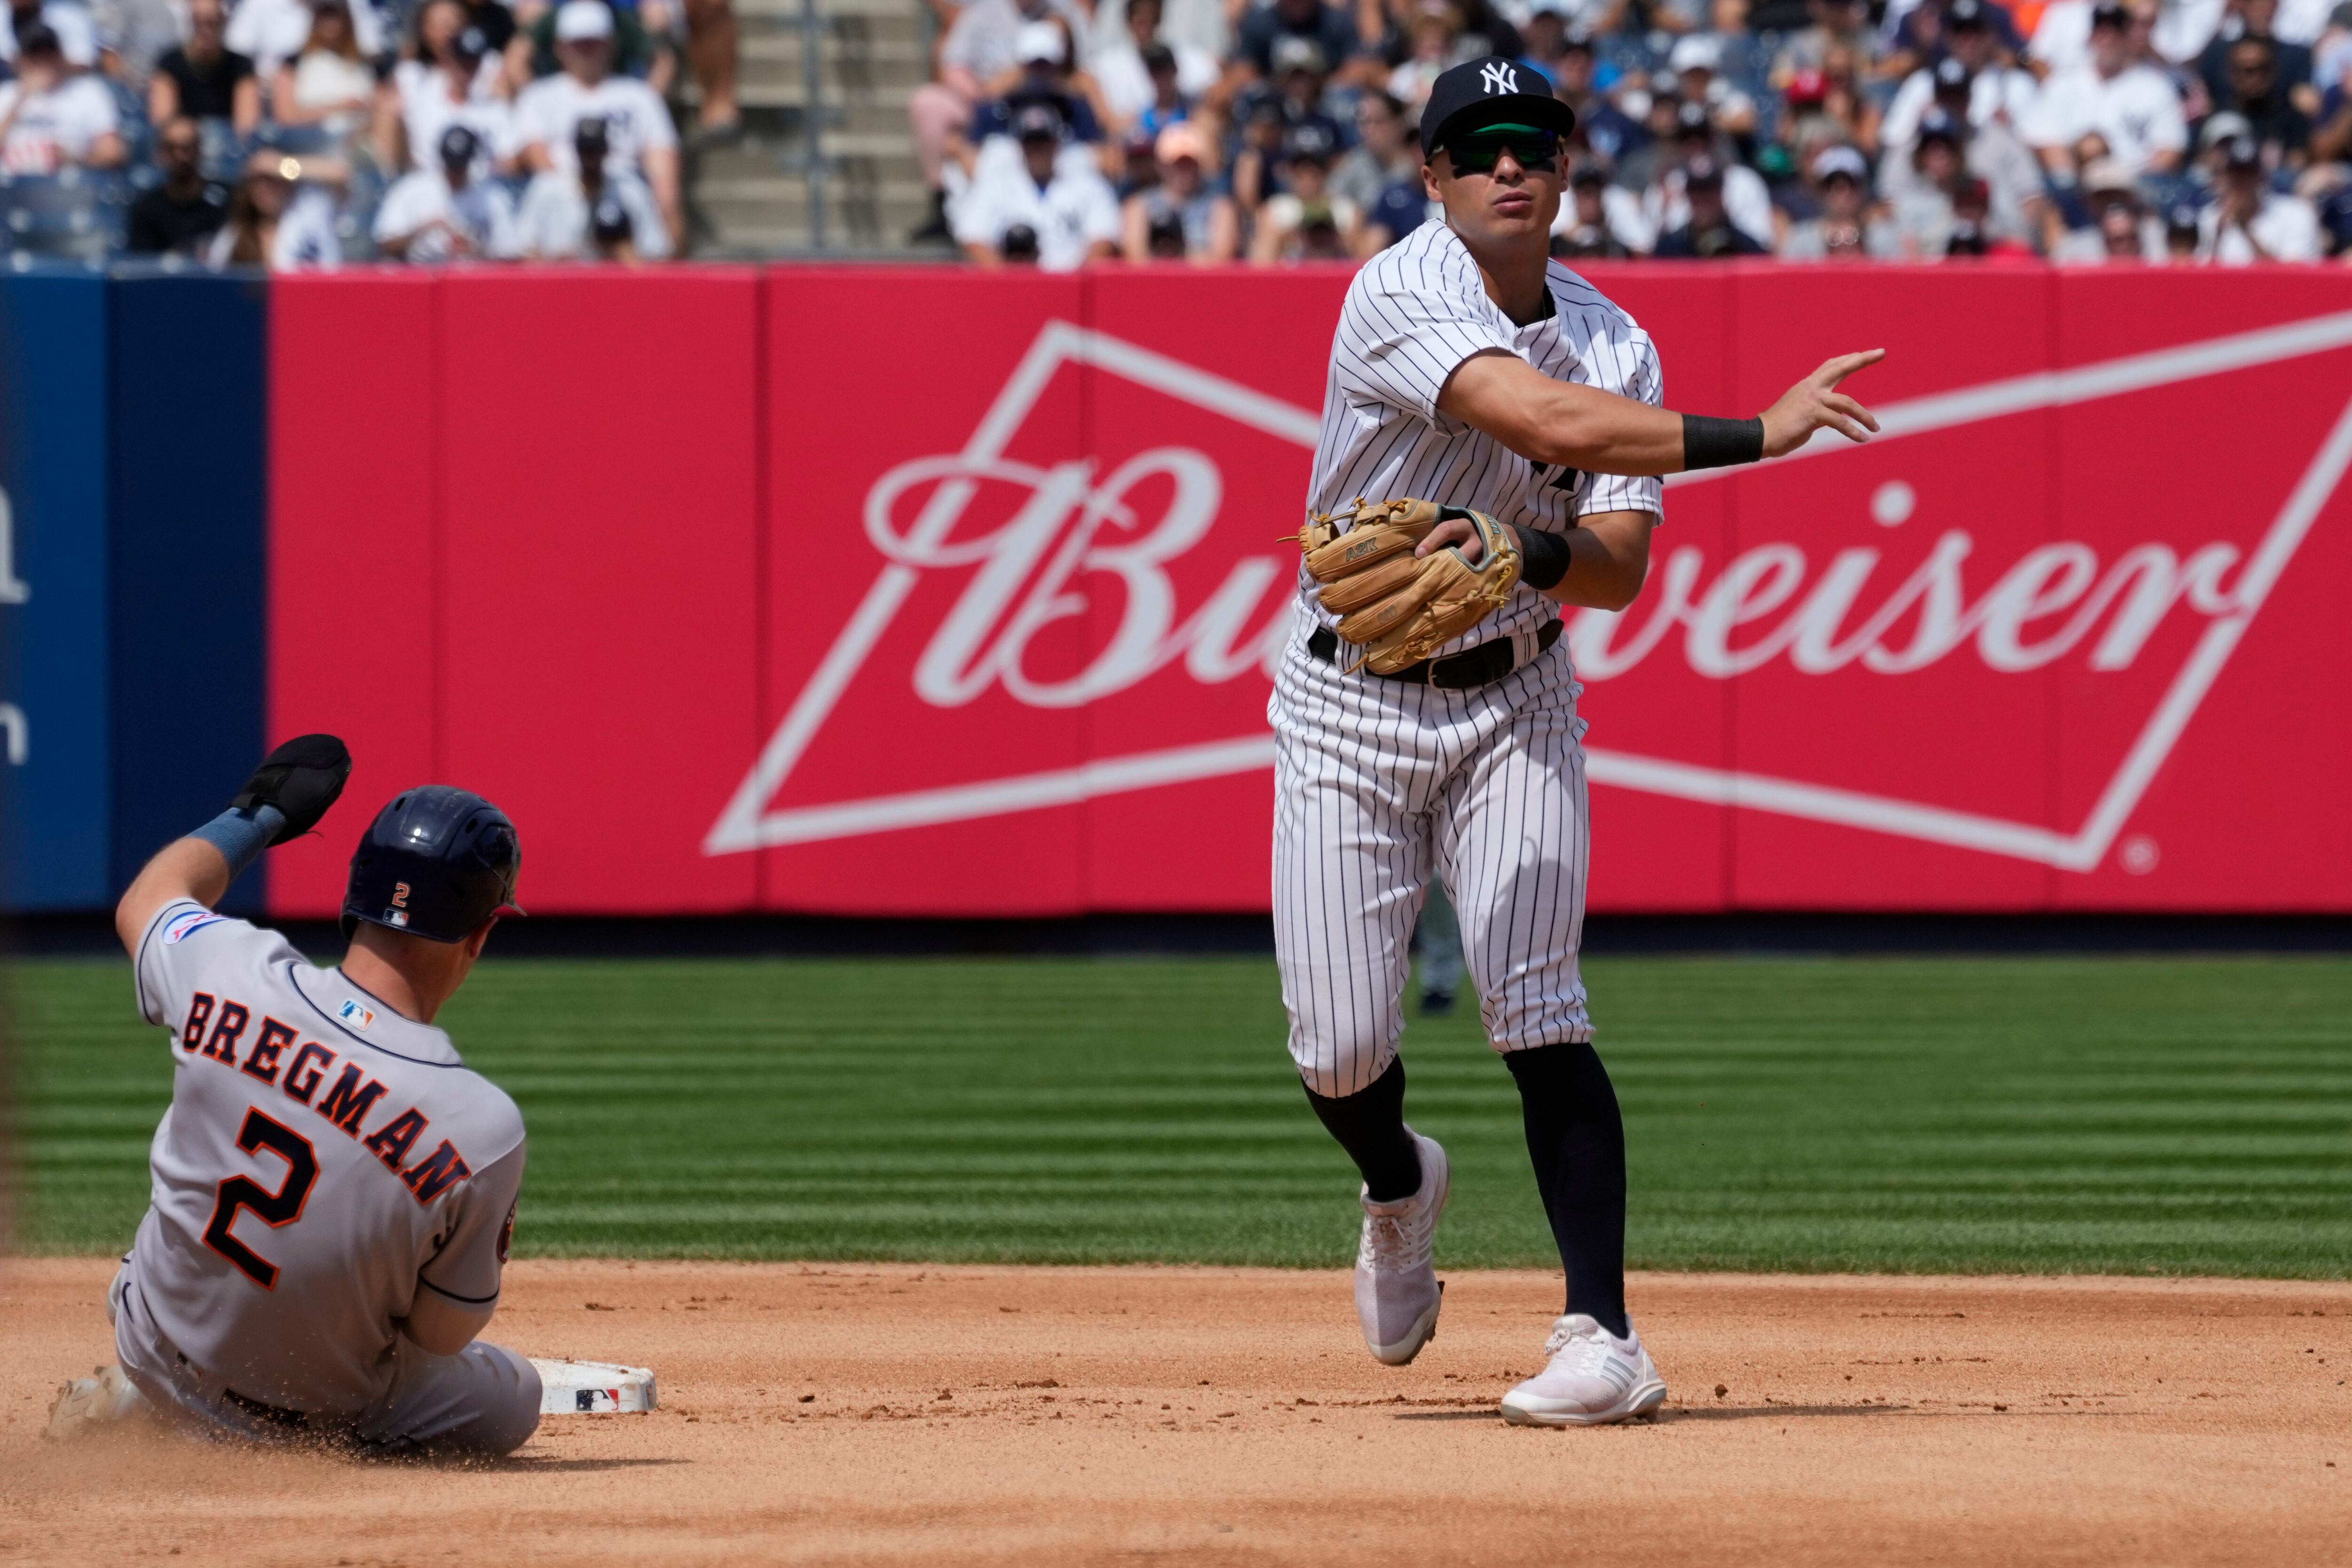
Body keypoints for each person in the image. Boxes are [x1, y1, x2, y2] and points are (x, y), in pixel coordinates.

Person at [1279, 54, 1879, 1426]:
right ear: (1429, 175)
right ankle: (1395, 1184)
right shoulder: (1397, 290)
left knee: (1536, 996)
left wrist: (1526, 548)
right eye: (1476, 145)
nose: (1508, 165)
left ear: (1565, 165)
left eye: (1533, 142)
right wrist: (1760, 432)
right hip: (1345, 698)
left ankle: (1603, 1334)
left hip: (1516, 699)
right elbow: (1533, 417)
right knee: (1339, 1047)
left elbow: (1612, 569)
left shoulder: (1615, 339)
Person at [44, 737, 541, 1457]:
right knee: (514, 1393)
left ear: (356, 892)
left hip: (150, 1346)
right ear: (480, 933)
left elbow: (150, 899)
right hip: (306, 1413)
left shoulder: (228, 969)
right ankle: (323, 1450)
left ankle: (143, 1400)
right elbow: (439, 1333)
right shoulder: (482, 1126)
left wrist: (264, 811)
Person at [513, 0, 682, 251]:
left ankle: (668, 277)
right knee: (545, 191)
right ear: (561, 48)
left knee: (656, 199)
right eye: (578, 44)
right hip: (563, 190)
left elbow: (662, 164)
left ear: (611, 44)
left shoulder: (640, 97)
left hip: (623, 187)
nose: (587, 52)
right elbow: (538, 157)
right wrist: (586, 187)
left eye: (595, 43)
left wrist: (665, 202)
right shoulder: (538, 96)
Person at [2024, 2, 2187, 178]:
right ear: (2091, 37)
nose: (2108, 40)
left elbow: (2170, 149)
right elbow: (2046, 141)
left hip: (2134, 184)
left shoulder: (2155, 87)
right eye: (2101, 33)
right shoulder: (2064, 83)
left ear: (2128, 38)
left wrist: (2132, 185)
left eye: (2116, 33)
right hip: (2077, 185)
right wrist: (2071, 182)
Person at [954, 98, 1120, 266]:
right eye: (1031, 142)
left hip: (1072, 282)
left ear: (1057, 143)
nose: (1038, 149)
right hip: (1013, 283)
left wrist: (1071, 286)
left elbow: (1103, 239)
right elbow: (974, 238)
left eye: (1044, 141)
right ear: (1020, 145)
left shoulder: (1088, 185)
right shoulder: (994, 185)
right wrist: (1010, 285)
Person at [515, 113, 670, 257]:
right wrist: (558, 262)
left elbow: (657, 252)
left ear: (606, 149)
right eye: (586, 151)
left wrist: (622, 252)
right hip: (561, 282)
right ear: (576, 149)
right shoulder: (548, 187)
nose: (590, 159)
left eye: (596, 150)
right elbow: (522, 249)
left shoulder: (629, 191)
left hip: (616, 282)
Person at [391, 0, 515, 175]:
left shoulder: (490, 65)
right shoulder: (411, 75)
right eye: (439, 25)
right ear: (424, 30)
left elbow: (505, 110)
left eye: (453, 24)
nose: (448, 32)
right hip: (426, 174)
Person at [375, 123, 519, 259]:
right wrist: (421, 230)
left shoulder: (491, 196)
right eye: (451, 165)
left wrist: (476, 251)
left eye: (460, 166)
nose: (455, 172)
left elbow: (511, 256)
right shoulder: (412, 189)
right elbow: (385, 245)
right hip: (419, 275)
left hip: (472, 278)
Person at [0, 21, 124, 172]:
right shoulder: (6, 94)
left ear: (61, 56)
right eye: (35, 56)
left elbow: (113, 152)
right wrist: (22, 98)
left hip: (68, 186)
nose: (43, 62)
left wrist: (73, 158)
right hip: (12, 188)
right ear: (22, 60)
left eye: (49, 55)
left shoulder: (88, 92)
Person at [208, 146, 344, 268]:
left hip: (319, 294)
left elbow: (341, 174)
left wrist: (283, 166)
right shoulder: (233, 236)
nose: (266, 190)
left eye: (275, 181)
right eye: (258, 182)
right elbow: (217, 278)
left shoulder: (312, 213)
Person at [1119, 118, 1238, 257]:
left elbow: (1222, 259)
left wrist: (1180, 255)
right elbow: (1135, 257)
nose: (1184, 171)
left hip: (1199, 279)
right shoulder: (1139, 206)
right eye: (1176, 164)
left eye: (1190, 163)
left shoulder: (1220, 207)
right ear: (1161, 166)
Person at [2198, 130, 2323, 256]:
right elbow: (2201, 274)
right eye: (2236, 175)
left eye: (2250, 174)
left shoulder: (2295, 214)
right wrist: (2218, 235)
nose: (2243, 182)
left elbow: (2292, 274)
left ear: (2262, 177)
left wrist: (2245, 229)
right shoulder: (2209, 218)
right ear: (2226, 177)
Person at [149, 0, 261, 139]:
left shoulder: (241, 66)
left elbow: (247, 126)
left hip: (228, 144)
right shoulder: (169, 64)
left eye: (213, 22)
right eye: (199, 22)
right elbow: (163, 121)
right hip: (185, 146)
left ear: (223, 21)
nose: (206, 29)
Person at [1250, 118, 1359, 259]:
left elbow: (1363, 264)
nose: (1308, 179)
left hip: (1339, 279)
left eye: (1315, 171)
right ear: (1289, 171)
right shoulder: (1274, 211)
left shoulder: (1347, 211)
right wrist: (1288, 239)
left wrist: (1338, 241)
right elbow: (1260, 266)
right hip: (1290, 279)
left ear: (1327, 170)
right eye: (1300, 172)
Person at [270, 0, 376, 144]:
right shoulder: (293, 64)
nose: (330, 23)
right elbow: (286, 116)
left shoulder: (364, 65)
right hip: (310, 142)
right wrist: (342, 107)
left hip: (358, 142)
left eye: (335, 17)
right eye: (325, 17)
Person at [127, 116, 232, 254]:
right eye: (171, 149)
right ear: (161, 153)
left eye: (187, 148)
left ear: (199, 150)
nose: (180, 157)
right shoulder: (147, 209)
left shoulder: (227, 202)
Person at [1650, 153, 1770, 252]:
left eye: (1709, 191)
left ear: (1721, 194)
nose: (1703, 200)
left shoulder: (1747, 248)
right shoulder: (1670, 249)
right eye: (1696, 192)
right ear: (1688, 195)